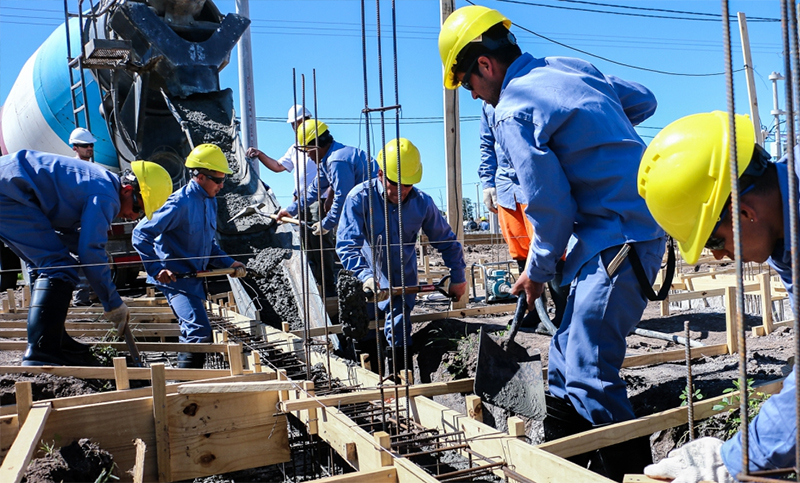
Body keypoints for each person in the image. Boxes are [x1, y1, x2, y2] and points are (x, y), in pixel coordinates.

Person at [439, 5, 665, 479]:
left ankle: (633, 473)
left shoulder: (511, 110)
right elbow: (643, 100)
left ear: (484, 64)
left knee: (588, 377)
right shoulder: (567, 69)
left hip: (618, 244)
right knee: (562, 366)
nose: (472, 94)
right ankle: (557, 469)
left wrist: (536, 272)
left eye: (465, 82)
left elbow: (551, 207)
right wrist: (597, 133)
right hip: (613, 239)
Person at [639, 111, 796, 482]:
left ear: (744, 212)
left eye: (714, 240)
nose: (719, 256)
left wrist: (736, 458)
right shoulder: (784, 234)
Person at [0, 150, 173, 366]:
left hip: (10, 188)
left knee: (44, 265)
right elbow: (89, 251)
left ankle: (54, 340)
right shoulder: (106, 195)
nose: (135, 216)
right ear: (128, 190)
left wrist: (96, 256)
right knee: (57, 266)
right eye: (138, 208)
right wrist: (113, 303)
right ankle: (42, 352)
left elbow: (71, 238)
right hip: (10, 192)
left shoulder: (99, 182)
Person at [336, 138, 467, 374]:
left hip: (401, 282)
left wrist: (458, 276)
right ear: (379, 174)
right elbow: (347, 245)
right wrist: (364, 275)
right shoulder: (359, 198)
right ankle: (372, 386)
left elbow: (447, 241)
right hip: (367, 285)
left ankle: (401, 386)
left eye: (407, 184)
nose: (401, 191)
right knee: (365, 334)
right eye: (395, 183)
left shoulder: (422, 203)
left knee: (399, 331)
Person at [133, 144, 247, 369]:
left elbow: (208, 245)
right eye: (218, 180)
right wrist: (157, 269)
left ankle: (185, 381)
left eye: (224, 180)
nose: (222, 186)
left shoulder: (209, 201)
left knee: (191, 329)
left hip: (194, 279)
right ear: (201, 177)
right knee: (198, 330)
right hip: (176, 280)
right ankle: (186, 388)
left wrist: (229, 262)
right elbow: (140, 234)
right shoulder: (179, 203)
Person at [276, 119, 377, 289]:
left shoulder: (337, 161)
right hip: (364, 208)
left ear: (316, 147)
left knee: (349, 245)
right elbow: (313, 190)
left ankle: (372, 287)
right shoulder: (328, 159)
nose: (308, 156)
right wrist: (291, 210)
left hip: (374, 209)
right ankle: (370, 286)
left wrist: (326, 224)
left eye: (308, 151)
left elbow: (341, 197)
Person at [247, 105, 334, 292]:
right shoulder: (295, 148)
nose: (296, 127)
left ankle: (329, 285)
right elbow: (279, 166)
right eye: (294, 124)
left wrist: (330, 197)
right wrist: (260, 154)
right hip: (301, 203)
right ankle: (315, 284)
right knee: (306, 244)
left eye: (299, 122)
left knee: (321, 243)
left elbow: (331, 174)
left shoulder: (322, 144)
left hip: (318, 200)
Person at [69, 127, 99, 306]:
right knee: (81, 258)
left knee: (97, 256)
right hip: (77, 220)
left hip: (92, 220)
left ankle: (92, 295)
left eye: (91, 145)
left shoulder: (95, 169)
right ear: (75, 148)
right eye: (85, 145)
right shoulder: (70, 168)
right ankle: (80, 298)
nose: (89, 148)